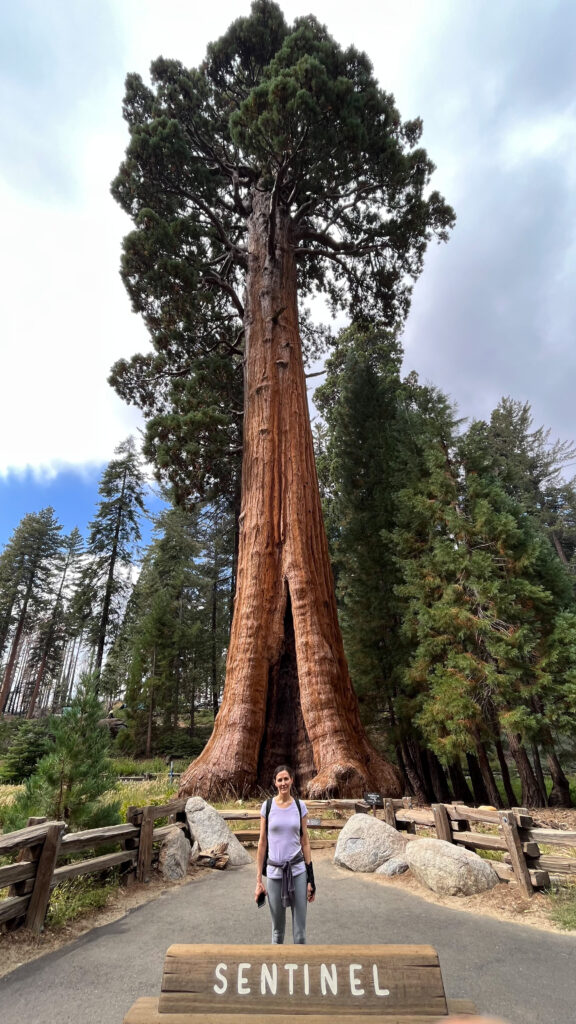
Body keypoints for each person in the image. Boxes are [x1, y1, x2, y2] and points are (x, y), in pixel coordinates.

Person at [255, 764, 316, 943]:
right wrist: (258, 880)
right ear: (275, 783)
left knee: (300, 934)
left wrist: (311, 878)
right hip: (274, 873)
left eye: (286, 779)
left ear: (292, 780)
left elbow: (305, 841)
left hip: (297, 871)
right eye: (279, 780)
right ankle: (278, 970)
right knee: (277, 932)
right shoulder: (267, 807)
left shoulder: (299, 807)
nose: (283, 783)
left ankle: (298, 970)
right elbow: (262, 842)